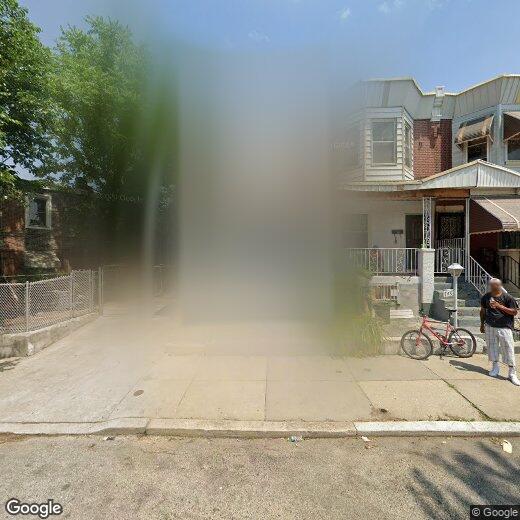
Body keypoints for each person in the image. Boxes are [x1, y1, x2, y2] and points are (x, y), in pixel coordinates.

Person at [480, 278, 519, 386]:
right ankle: (495, 367)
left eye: (494, 285)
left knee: (508, 349)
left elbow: (514, 312)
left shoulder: (508, 297)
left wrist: (499, 306)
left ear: (499, 286)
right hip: (490, 326)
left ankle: (512, 373)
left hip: (504, 327)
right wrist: (482, 324)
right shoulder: (486, 297)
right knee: (492, 348)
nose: (492, 287)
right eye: (491, 285)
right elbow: (483, 311)